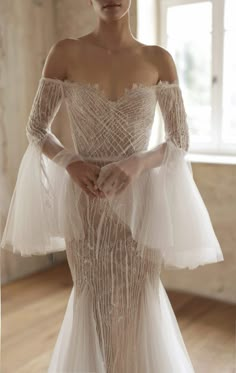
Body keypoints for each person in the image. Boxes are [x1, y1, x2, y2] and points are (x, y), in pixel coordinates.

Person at [1, 0, 224, 371]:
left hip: (141, 201)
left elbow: (179, 139)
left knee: (139, 298)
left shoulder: (158, 59)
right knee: (93, 298)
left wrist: (138, 162)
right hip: (86, 198)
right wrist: (69, 162)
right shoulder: (66, 51)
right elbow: (36, 128)